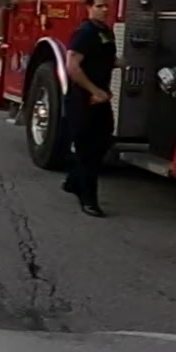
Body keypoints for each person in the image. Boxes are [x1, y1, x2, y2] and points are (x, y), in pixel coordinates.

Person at [53, 12, 119, 215]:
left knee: (104, 140)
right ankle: (88, 200)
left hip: (100, 98)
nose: (103, 10)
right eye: (99, 6)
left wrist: (118, 63)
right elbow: (73, 67)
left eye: (106, 5)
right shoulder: (84, 33)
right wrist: (94, 90)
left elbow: (101, 58)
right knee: (87, 149)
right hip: (82, 99)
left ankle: (74, 181)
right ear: (89, 8)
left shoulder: (105, 32)